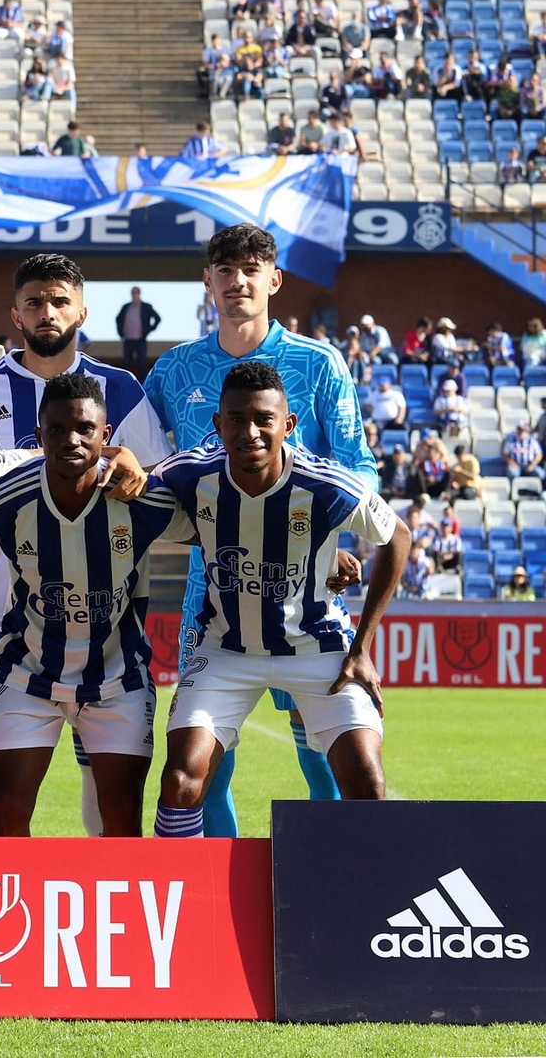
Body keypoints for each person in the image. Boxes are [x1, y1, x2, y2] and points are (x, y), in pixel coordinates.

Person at [143, 223, 377, 838]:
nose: (238, 280)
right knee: (206, 758)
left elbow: (357, 463)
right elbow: (139, 463)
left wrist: (339, 540)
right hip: (213, 592)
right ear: (208, 281)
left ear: (273, 279)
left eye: (252, 269)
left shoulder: (317, 362)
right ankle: (215, 898)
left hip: (309, 589)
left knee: (323, 752)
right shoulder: (173, 370)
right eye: (225, 269)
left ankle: (332, 882)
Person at [0, 253, 166, 836]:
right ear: (15, 314)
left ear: (83, 311)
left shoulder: (120, 387)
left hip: (108, 613)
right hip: (3, 607)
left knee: (104, 764)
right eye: (36, 302)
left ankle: (103, 888)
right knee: (0, 765)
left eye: (61, 301)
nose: (49, 313)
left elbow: (155, 480)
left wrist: (124, 460)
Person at [152, 362, 409, 838]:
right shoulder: (188, 475)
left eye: (263, 419)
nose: (250, 431)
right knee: (182, 779)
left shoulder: (328, 485)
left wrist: (362, 648)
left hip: (320, 650)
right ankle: (180, 903)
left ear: (287, 425)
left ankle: (367, 903)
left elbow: (399, 537)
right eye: (236, 419)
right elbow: (136, 495)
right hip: (225, 652)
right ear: (218, 424)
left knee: (366, 781)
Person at [0, 373, 182, 837]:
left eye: (85, 429)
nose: (72, 439)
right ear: (39, 433)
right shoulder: (2, 501)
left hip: (118, 677)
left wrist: (328, 553)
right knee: (4, 814)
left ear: (107, 435)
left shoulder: (144, 498)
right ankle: (10, 909)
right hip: (27, 675)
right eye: (58, 429)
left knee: (122, 825)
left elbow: (217, 516)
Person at [115, 286, 161, 375]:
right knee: (127, 363)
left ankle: (144, 385)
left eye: (136, 292)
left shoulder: (146, 306)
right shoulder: (126, 307)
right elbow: (118, 319)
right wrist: (120, 332)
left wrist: (149, 329)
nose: (134, 294)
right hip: (128, 339)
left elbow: (157, 318)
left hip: (140, 339)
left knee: (142, 363)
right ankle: (127, 384)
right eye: (133, 292)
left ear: (139, 293)